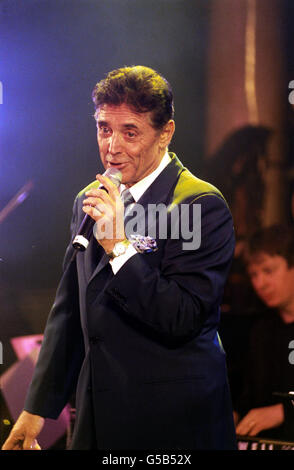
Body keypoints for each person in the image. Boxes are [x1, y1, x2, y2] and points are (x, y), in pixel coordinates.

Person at [2, 66, 236, 450]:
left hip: (172, 422)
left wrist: (119, 247)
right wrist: (36, 410)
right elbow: (70, 312)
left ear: (166, 133)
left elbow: (182, 317)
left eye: (130, 132)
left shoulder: (198, 204)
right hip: (98, 416)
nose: (112, 146)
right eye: (104, 128)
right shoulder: (88, 199)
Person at [234, 224, 294, 441]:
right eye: (254, 275)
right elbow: (250, 397)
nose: (260, 283)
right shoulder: (261, 330)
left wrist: (283, 412)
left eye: (268, 271)